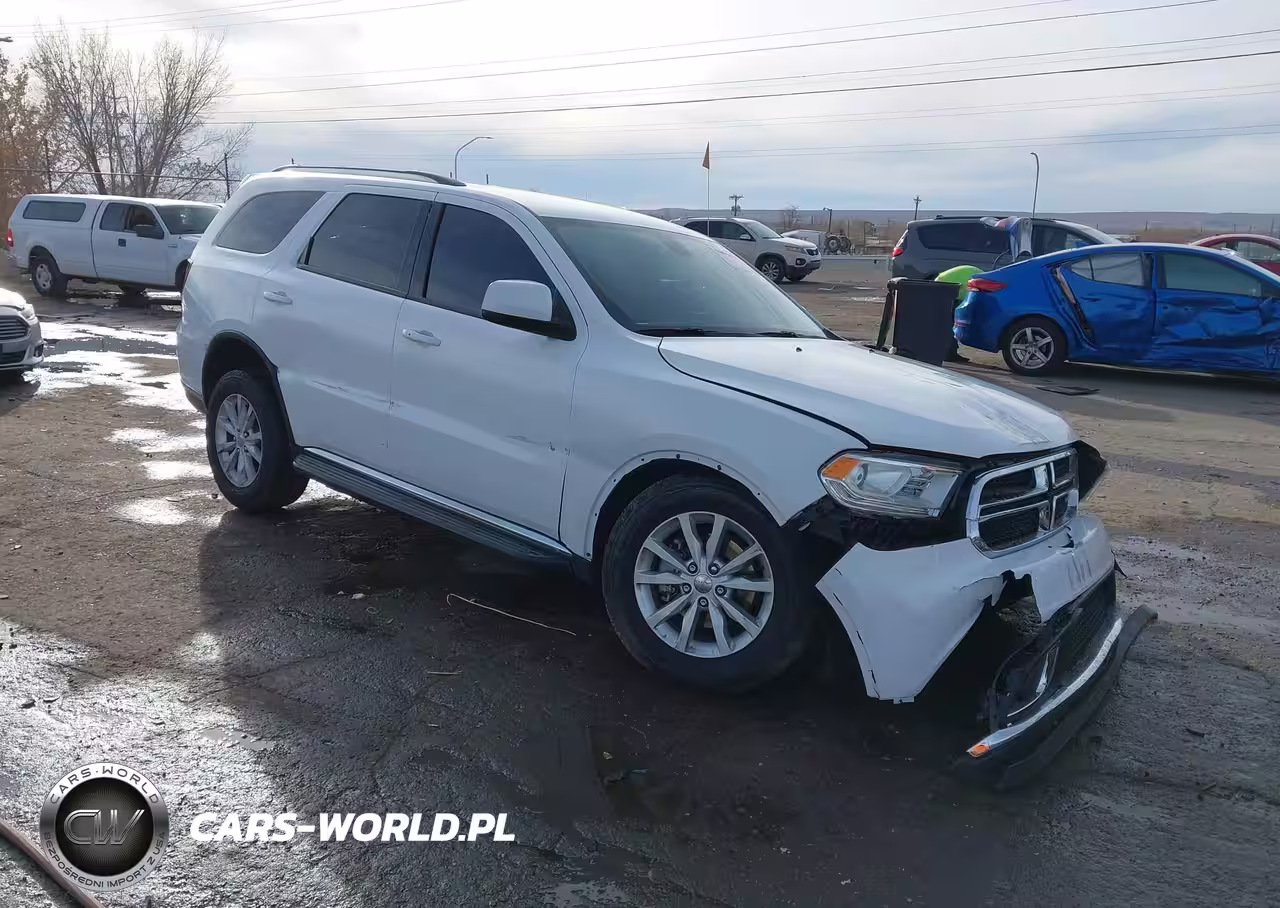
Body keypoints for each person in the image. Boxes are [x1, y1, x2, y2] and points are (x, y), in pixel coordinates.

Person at [934, 264, 983, 363]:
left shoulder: (979, 275)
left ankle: (950, 352)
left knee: (950, 322)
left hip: (943, 283)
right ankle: (948, 353)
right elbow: (967, 300)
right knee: (949, 323)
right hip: (944, 287)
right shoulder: (980, 282)